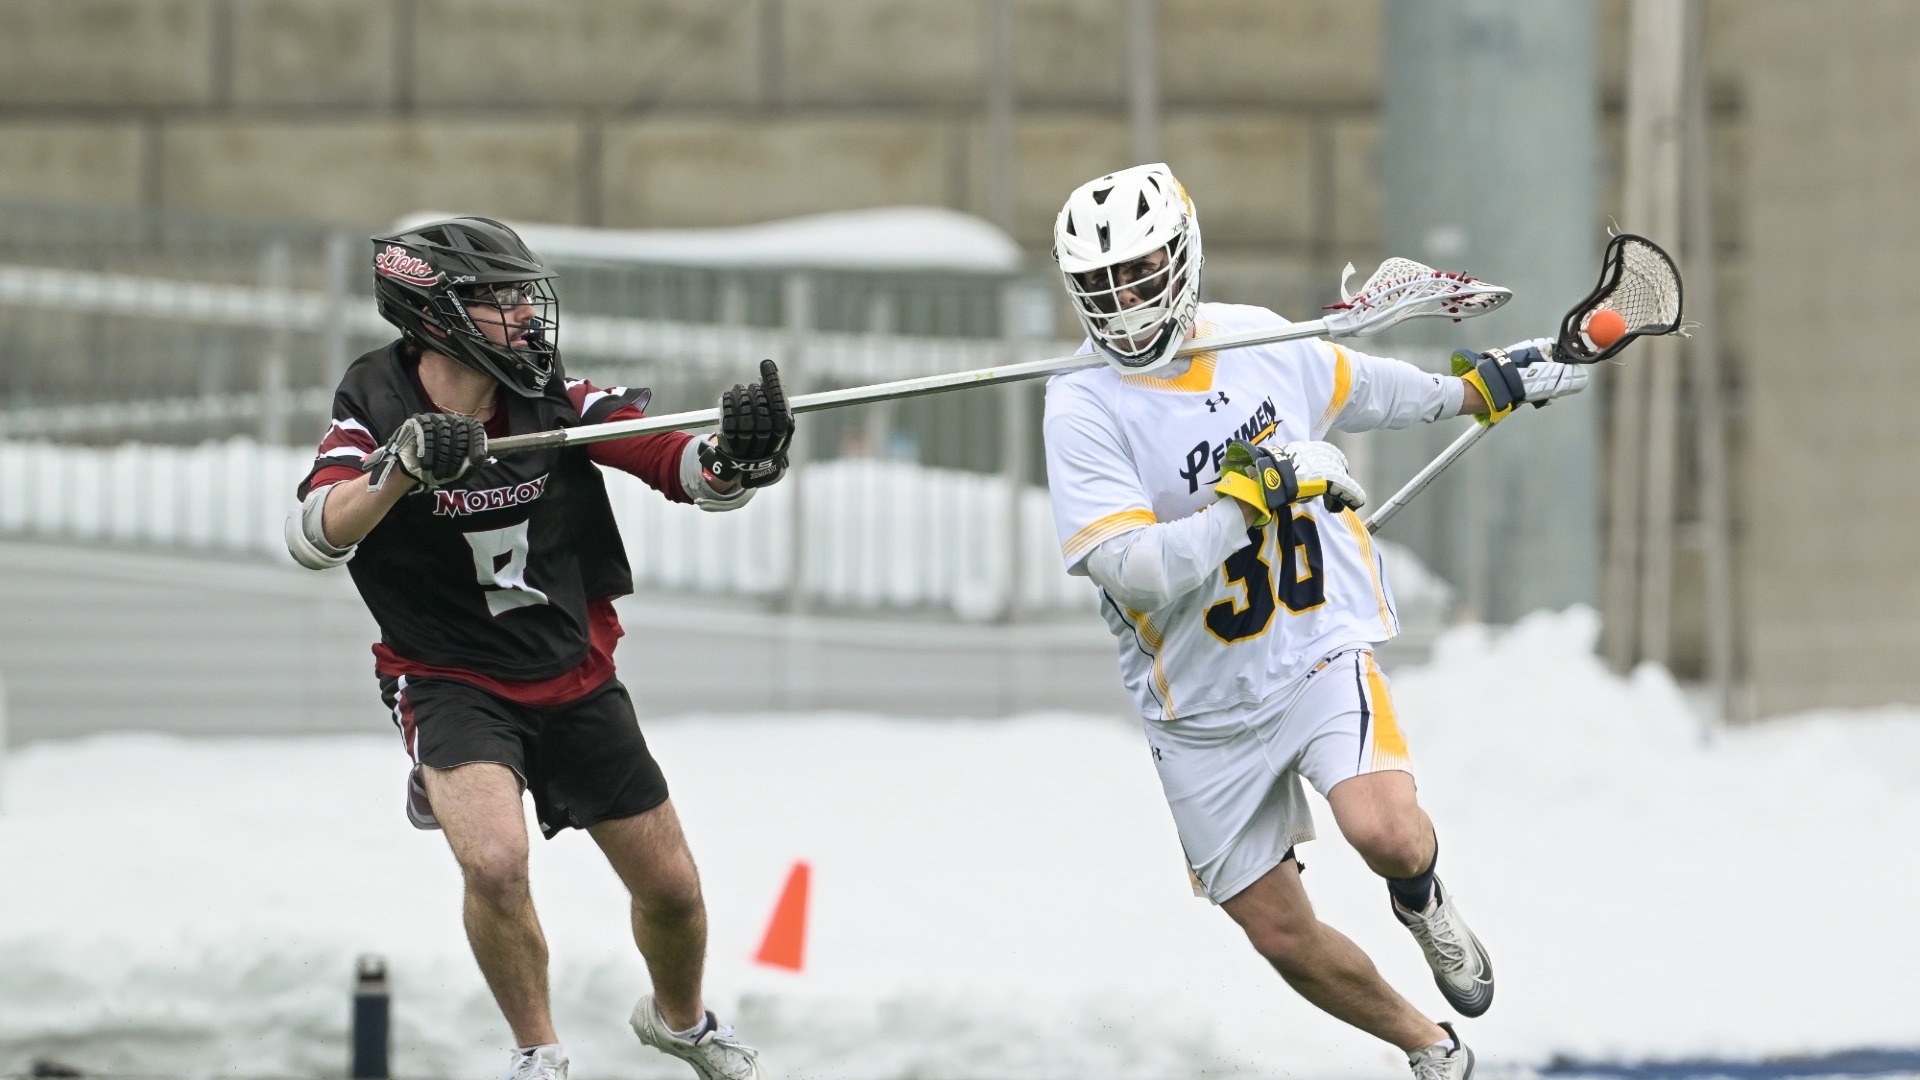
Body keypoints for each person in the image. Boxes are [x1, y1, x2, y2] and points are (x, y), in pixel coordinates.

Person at [1041, 164, 1589, 1080]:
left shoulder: (1261, 339)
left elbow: (1367, 387)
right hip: (1197, 707)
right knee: (1279, 932)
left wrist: (1483, 387)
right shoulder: (1083, 405)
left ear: (1183, 258)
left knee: (1386, 831)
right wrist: (1246, 498)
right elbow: (1134, 574)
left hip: (1312, 647)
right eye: (1102, 287)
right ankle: (1431, 1046)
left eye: (1140, 275)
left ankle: (1421, 900)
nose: (1126, 305)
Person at [284, 216, 785, 1080]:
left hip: (572, 673)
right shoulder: (373, 403)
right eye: (498, 300)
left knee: (671, 889)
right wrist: (401, 468)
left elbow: (671, 459)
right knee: (495, 861)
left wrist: (735, 457)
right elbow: (314, 533)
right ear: (435, 314)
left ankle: (683, 1024)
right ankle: (538, 1053)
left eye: (524, 295)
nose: (525, 315)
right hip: (448, 678)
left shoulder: (554, 395)